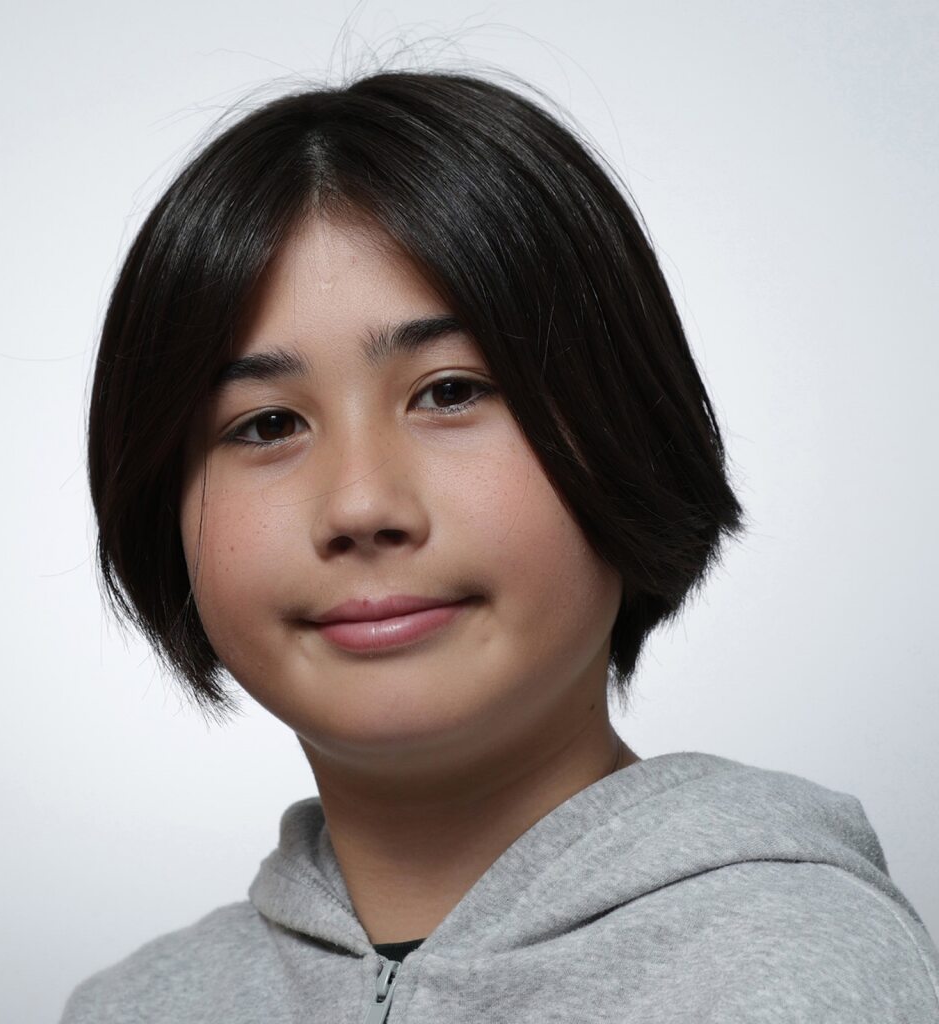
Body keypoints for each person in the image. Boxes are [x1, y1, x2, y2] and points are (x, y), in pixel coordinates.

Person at [59, 67, 939, 1022]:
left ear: (625, 431)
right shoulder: (130, 1007)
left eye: (451, 391)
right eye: (267, 424)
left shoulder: (791, 974)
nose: (360, 504)